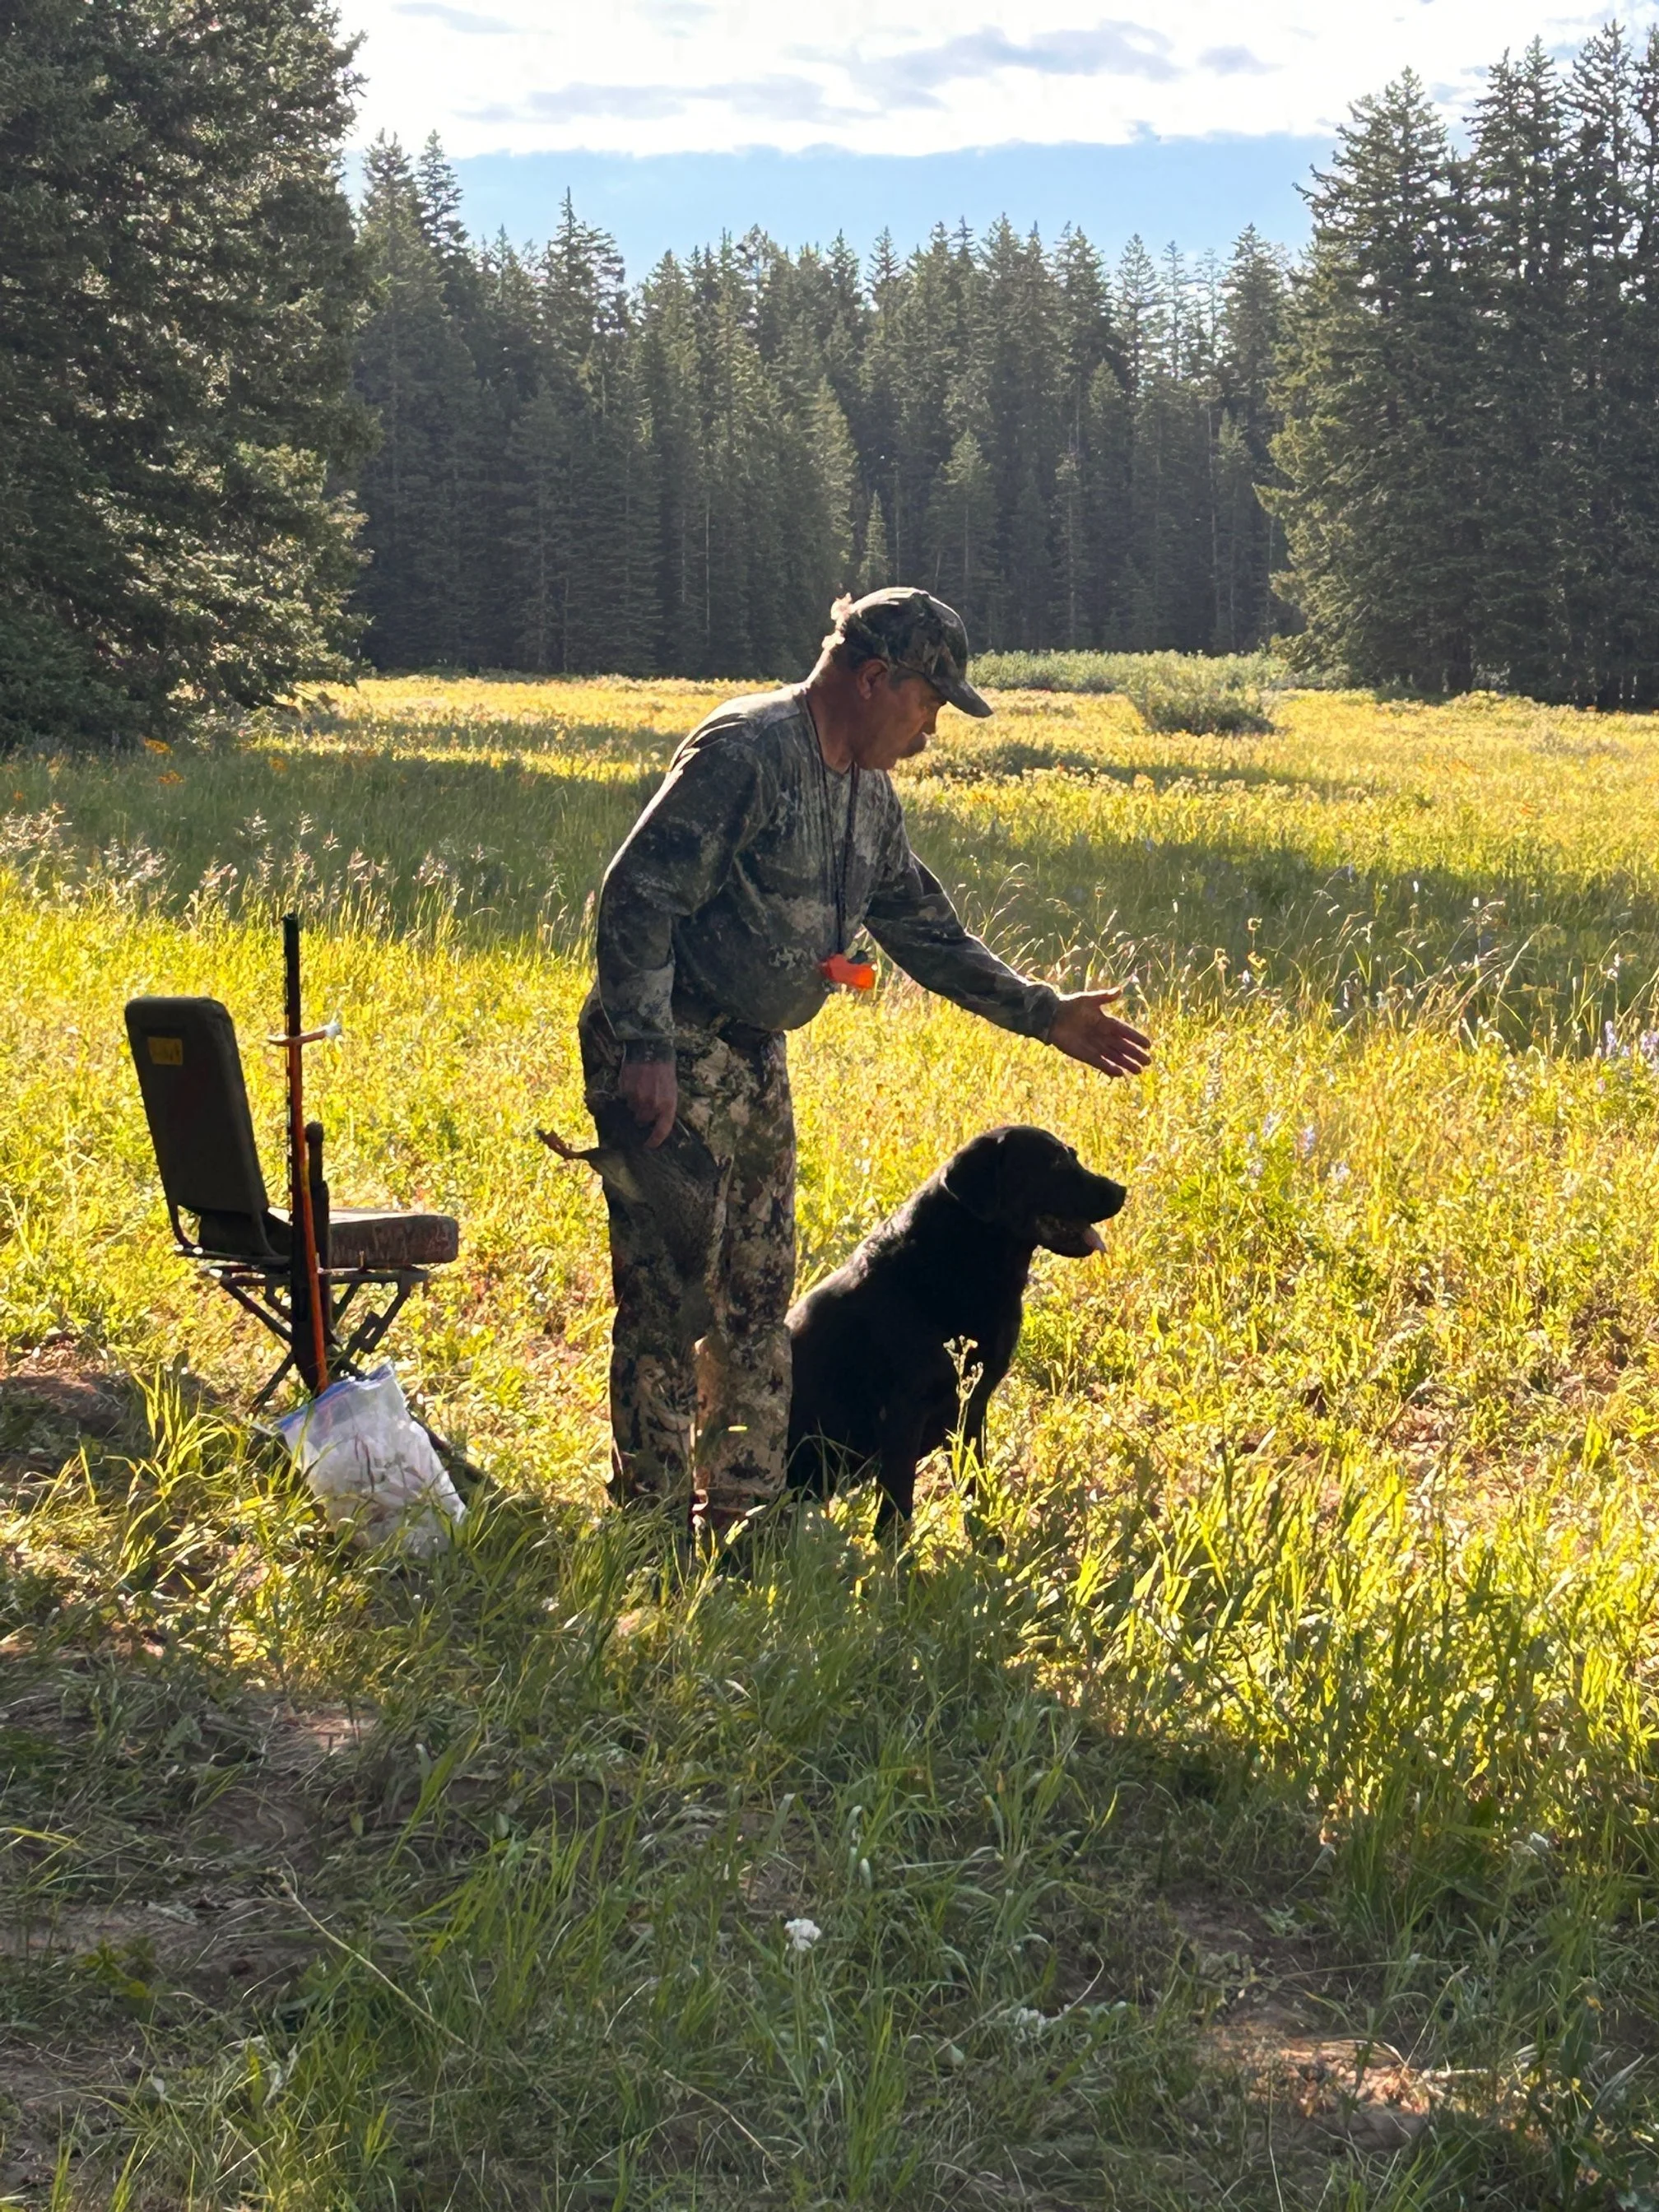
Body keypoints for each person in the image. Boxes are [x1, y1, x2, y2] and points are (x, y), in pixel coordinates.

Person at [580, 586, 1151, 1540]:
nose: (931, 730)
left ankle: (749, 1516)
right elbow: (636, 897)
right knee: (669, 1298)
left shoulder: (867, 799)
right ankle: (649, 1530)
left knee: (761, 1291)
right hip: (667, 1056)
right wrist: (643, 1049)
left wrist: (1046, 1014)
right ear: (874, 677)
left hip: (753, 1057)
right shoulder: (749, 754)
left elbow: (929, 934)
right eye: (929, 703)